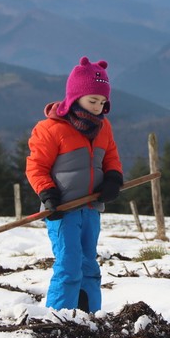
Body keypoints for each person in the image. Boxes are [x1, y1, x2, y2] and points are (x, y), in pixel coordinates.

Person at [26, 56, 123, 313]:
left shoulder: (104, 127)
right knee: (68, 265)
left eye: (102, 102)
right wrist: (48, 194)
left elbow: (111, 156)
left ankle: (91, 316)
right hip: (62, 209)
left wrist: (113, 178)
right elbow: (36, 167)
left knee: (89, 265)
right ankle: (58, 317)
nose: (97, 107)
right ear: (74, 97)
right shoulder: (50, 129)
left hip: (91, 207)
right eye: (92, 100)